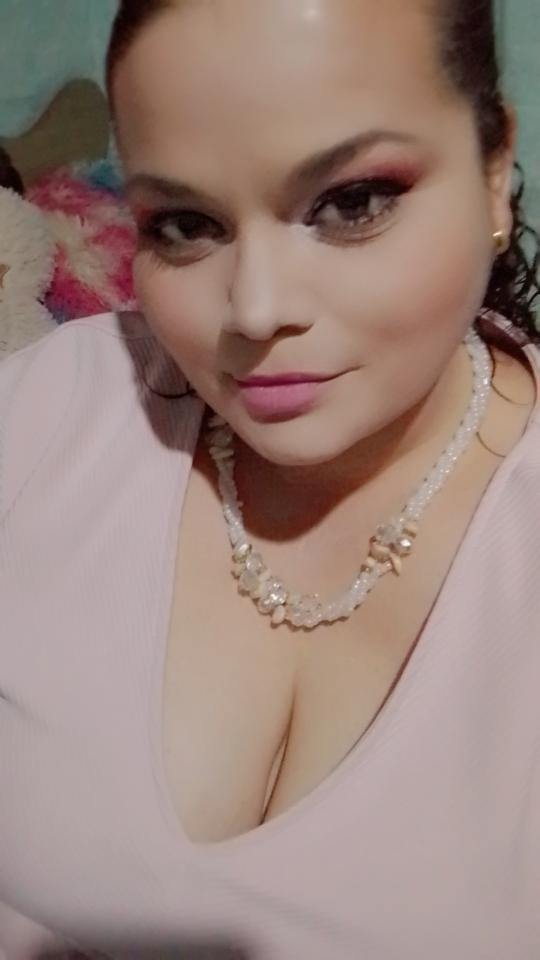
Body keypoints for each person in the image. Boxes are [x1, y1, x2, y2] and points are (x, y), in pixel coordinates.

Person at [1, 0, 539, 957]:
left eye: (352, 204)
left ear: (495, 168)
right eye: (185, 224)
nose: (253, 309)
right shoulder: (46, 415)